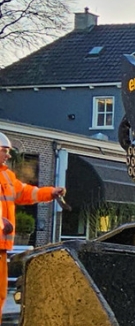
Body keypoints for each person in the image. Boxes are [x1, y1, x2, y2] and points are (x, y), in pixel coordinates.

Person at [0, 133, 66, 316]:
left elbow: (26, 193)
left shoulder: (7, 177)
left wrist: (51, 192)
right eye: (5, 151)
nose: (8, 155)